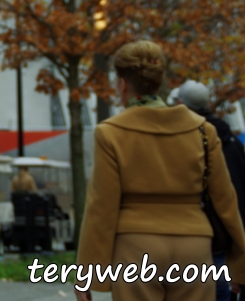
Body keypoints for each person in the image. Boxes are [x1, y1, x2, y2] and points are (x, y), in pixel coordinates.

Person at [75, 41, 245, 301]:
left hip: (135, 248)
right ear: (160, 81)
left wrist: (88, 273)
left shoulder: (111, 133)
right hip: (194, 246)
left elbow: (101, 207)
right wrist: (240, 264)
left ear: (122, 84)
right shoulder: (202, 130)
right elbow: (226, 200)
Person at [178, 80, 245, 301]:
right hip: (227, 233)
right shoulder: (232, 142)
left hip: (196, 230)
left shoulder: (185, 139)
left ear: (181, 104)